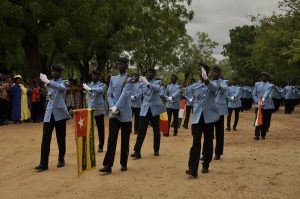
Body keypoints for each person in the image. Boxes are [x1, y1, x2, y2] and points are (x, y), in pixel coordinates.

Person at [99, 57, 134, 174]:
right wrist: (113, 106)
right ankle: (108, 165)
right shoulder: (113, 78)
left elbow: (125, 94)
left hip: (125, 114)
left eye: (123, 64)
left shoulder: (130, 79)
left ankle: (123, 163)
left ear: (126, 66)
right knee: (111, 139)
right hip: (114, 114)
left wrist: (116, 107)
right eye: (119, 64)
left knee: (125, 140)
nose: (120, 66)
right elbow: (109, 94)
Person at [186, 63, 220, 178]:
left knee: (208, 141)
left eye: (203, 71)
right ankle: (192, 169)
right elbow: (191, 99)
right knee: (196, 142)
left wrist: (206, 80)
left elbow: (214, 88)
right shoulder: (194, 86)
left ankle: (205, 163)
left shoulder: (213, 83)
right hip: (196, 117)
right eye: (199, 71)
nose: (200, 73)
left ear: (207, 72)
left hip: (209, 117)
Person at [35, 64, 71, 172]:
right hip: (49, 112)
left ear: (60, 73)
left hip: (60, 113)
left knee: (61, 137)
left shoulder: (65, 82)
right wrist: (44, 84)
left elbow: (61, 87)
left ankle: (61, 159)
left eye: (55, 71)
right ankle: (43, 163)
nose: (53, 73)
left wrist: (48, 82)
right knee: (45, 138)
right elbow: (47, 94)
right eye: (52, 71)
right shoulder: (48, 83)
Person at [131, 68, 166, 159]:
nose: (149, 74)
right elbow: (140, 93)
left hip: (154, 109)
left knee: (156, 130)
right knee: (141, 130)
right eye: (147, 72)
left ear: (154, 74)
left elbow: (156, 89)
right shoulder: (142, 83)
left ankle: (156, 149)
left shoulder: (157, 82)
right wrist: (135, 95)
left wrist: (147, 83)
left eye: (151, 72)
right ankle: (137, 151)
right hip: (145, 108)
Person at [83, 69, 107, 153]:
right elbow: (87, 96)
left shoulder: (102, 85)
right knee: (89, 128)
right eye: (93, 75)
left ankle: (101, 145)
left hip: (98, 109)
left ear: (99, 76)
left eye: (96, 75)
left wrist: (90, 89)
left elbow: (101, 90)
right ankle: (89, 144)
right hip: (90, 109)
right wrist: (88, 89)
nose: (94, 76)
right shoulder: (89, 84)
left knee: (100, 129)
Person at [211, 66, 228, 160]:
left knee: (219, 132)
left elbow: (224, 88)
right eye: (213, 72)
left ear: (219, 73)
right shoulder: (209, 82)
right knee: (208, 132)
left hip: (220, 110)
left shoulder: (224, 82)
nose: (214, 74)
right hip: (210, 110)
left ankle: (218, 152)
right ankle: (206, 152)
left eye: (216, 72)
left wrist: (218, 85)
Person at [252, 72, 274, 140]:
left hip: (267, 106)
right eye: (262, 76)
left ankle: (263, 135)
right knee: (257, 119)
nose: (264, 77)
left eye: (265, 76)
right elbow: (254, 94)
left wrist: (262, 100)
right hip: (258, 104)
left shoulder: (270, 85)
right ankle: (257, 135)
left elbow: (266, 94)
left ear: (267, 77)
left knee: (264, 121)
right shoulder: (257, 84)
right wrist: (257, 101)